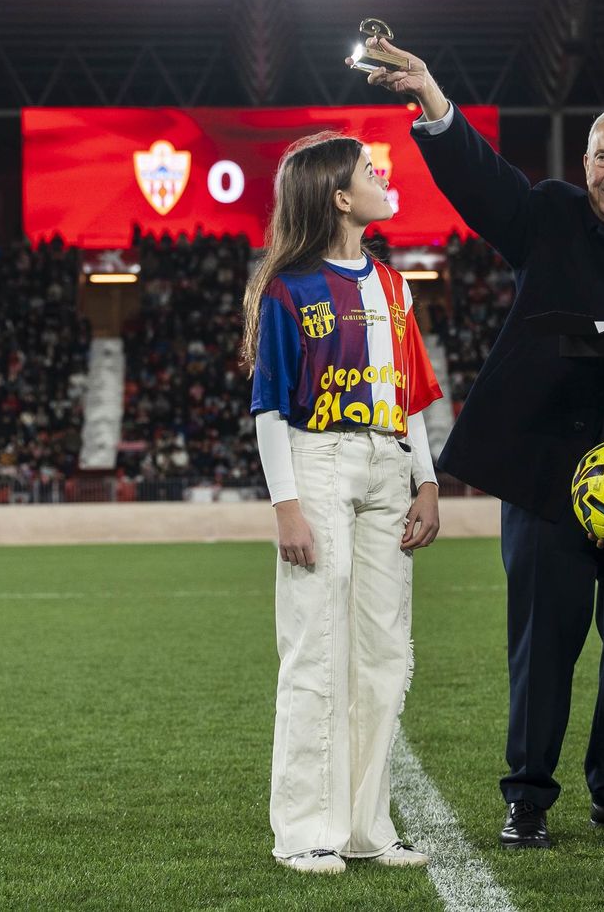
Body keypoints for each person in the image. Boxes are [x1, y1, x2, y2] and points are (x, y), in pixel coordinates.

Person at [353, 35, 604, 848]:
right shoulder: (551, 216)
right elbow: (481, 180)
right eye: (601, 155)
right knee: (543, 647)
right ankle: (526, 795)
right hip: (544, 477)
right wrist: (431, 95)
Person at [242, 132, 444, 874]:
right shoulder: (288, 287)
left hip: (387, 461)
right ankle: (304, 831)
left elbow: (412, 396)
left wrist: (426, 480)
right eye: (368, 171)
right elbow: (269, 408)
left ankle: (366, 826)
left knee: (385, 653)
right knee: (315, 648)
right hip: (317, 459)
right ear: (338, 196)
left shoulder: (394, 285)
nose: (380, 177)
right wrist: (286, 505)